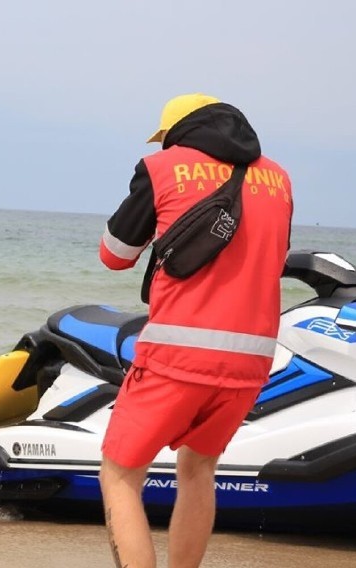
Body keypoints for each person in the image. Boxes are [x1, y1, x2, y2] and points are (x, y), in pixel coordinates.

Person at [97, 94, 293, 568]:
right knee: (198, 467)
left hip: (177, 354)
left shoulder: (163, 167)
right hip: (252, 359)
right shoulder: (278, 177)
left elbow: (115, 254)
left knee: (120, 475)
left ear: (176, 133)